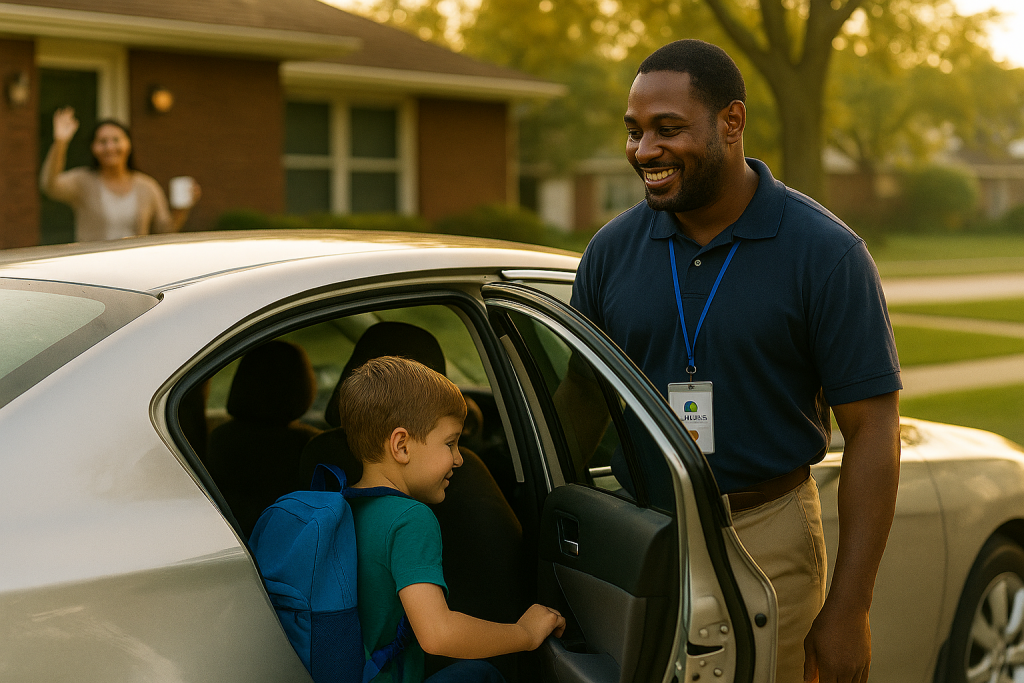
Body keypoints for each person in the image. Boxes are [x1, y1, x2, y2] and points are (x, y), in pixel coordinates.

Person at [566, 40, 901, 683]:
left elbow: (873, 430)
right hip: (644, 530)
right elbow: (580, 401)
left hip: (768, 533)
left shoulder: (826, 254)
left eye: (668, 129)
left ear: (732, 122)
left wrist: (849, 608)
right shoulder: (610, 250)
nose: (644, 151)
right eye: (635, 132)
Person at [336, 355, 566, 683]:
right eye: (451, 443)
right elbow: (438, 634)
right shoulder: (410, 519)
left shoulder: (345, 506)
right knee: (483, 675)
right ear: (401, 445)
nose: (459, 459)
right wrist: (524, 634)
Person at [39, 107, 199, 242]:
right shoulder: (83, 181)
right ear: (93, 148)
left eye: (116, 140)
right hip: (92, 270)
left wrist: (181, 210)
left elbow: (165, 232)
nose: (110, 147)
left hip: (134, 269)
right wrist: (60, 143)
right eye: (102, 142)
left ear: (128, 144)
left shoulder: (147, 186)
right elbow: (49, 185)